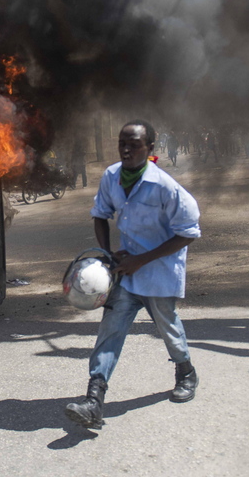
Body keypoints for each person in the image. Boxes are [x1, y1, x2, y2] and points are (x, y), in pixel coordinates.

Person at [65, 120, 202, 429]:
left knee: (167, 326)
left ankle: (186, 372)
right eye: (122, 144)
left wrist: (143, 259)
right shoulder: (112, 177)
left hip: (159, 270)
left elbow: (189, 232)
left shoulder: (165, 186)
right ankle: (94, 399)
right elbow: (100, 215)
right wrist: (109, 253)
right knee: (110, 330)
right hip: (126, 272)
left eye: (134, 144)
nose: (126, 150)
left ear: (150, 149)